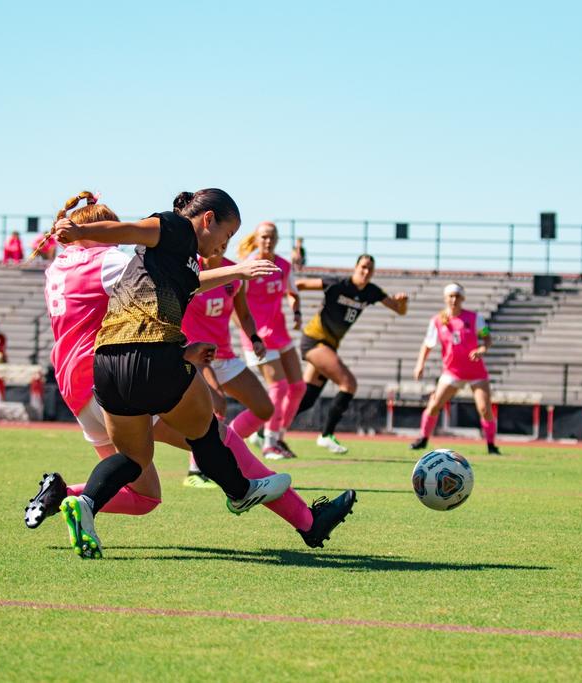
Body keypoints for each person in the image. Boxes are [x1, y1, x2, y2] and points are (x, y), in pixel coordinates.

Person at [33, 191, 353, 557]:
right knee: (216, 434)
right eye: (226, 234)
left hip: (89, 380)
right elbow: (138, 239)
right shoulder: (110, 257)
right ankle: (296, 516)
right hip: (129, 365)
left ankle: (74, 497)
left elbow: (166, 281)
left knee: (143, 490)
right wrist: (233, 274)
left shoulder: (57, 268)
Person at [295, 255, 409, 453]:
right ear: (355, 267)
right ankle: (326, 435)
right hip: (314, 340)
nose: (366, 272)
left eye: (370, 269)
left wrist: (403, 302)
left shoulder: (372, 291)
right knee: (349, 383)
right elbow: (300, 284)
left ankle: (264, 427)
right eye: (363, 267)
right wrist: (286, 301)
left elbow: (399, 310)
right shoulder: (338, 284)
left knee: (306, 399)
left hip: (329, 345)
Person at [181, 244, 274, 482]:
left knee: (265, 408)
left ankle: (228, 444)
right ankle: (196, 470)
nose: (219, 244)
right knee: (217, 405)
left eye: (225, 239)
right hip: (197, 355)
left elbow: (243, 314)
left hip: (224, 355)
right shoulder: (189, 270)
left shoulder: (235, 272)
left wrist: (255, 338)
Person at [236, 222, 305, 459]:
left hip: (279, 332)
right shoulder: (248, 267)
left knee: (298, 387)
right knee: (279, 387)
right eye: (264, 237)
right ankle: (268, 443)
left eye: (272, 237)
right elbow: (237, 305)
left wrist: (296, 312)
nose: (268, 241)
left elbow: (292, 292)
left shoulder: (284, 266)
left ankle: (278, 435)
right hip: (257, 336)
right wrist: (250, 335)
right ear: (256, 239)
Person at [411, 283, 500, 454]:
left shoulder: (475, 318)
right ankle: (422, 439)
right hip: (452, 372)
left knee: (484, 408)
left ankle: (491, 445)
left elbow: (487, 338)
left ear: (463, 298)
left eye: (457, 296)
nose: (454, 300)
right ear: (445, 298)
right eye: (450, 296)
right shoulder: (437, 320)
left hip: (476, 372)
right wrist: (420, 364)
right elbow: (427, 345)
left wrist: (481, 349)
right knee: (435, 405)